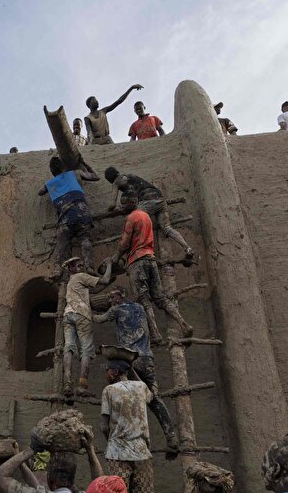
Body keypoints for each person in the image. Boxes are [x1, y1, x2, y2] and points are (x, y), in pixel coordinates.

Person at [92, 287, 177, 455]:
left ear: (118, 296)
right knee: (154, 398)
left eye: (111, 297)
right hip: (146, 358)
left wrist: (84, 309)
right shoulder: (139, 308)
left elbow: (98, 319)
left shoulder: (117, 309)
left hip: (128, 360)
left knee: (122, 394)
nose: (110, 301)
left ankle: (123, 438)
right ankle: (171, 436)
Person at [115, 193, 193, 341]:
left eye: (124, 204)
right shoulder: (146, 217)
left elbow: (124, 244)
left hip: (137, 261)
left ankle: (156, 334)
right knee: (161, 298)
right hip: (150, 258)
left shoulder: (131, 218)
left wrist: (117, 256)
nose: (123, 207)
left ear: (132, 202)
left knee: (143, 299)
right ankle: (183, 323)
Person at [99, 360, 154, 493]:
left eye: (107, 370)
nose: (106, 374)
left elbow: (103, 425)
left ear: (115, 372)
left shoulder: (109, 390)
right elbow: (151, 396)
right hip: (142, 454)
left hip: (118, 454)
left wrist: (111, 441)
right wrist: (131, 370)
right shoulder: (141, 387)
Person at [103, 166, 195, 264]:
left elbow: (112, 204)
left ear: (110, 180)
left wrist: (109, 209)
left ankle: (119, 256)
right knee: (167, 228)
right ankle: (187, 248)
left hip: (147, 201)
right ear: (117, 172)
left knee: (132, 225)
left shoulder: (116, 182)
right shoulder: (130, 176)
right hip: (159, 198)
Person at [39, 156, 100, 274]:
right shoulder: (75, 173)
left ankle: (57, 269)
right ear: (63, 167)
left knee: (62, 244)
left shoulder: (50, 184)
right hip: (81, 213)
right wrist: (84, 163)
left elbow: (40, 192)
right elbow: (95, 177)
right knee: (85, 239)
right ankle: (89, 267)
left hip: (64, 218)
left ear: (52, 172)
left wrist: (50, 186)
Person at [62, 257, 113, 394]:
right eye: (79, 266)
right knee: (86, 349)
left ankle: (67, 383)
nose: (82, 267)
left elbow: (94, 290)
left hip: (68, 315)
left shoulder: (72, 282)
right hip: (81, 315)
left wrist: (108, 281)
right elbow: (105, 280)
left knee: (69, 347)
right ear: (72, 269)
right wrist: (109, 266)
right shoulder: (82, 276)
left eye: (82, 265)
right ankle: (82, 385)